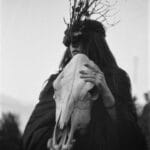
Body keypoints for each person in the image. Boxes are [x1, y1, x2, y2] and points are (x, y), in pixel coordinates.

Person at [22, 19, 147, 150]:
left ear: (95, 43)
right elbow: (35, 129)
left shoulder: (116, 79)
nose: (73, 45)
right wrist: (48, 144)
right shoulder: (58, 81)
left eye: (80, 39)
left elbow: (131, 137)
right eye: (69, 41)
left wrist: (107, 95)